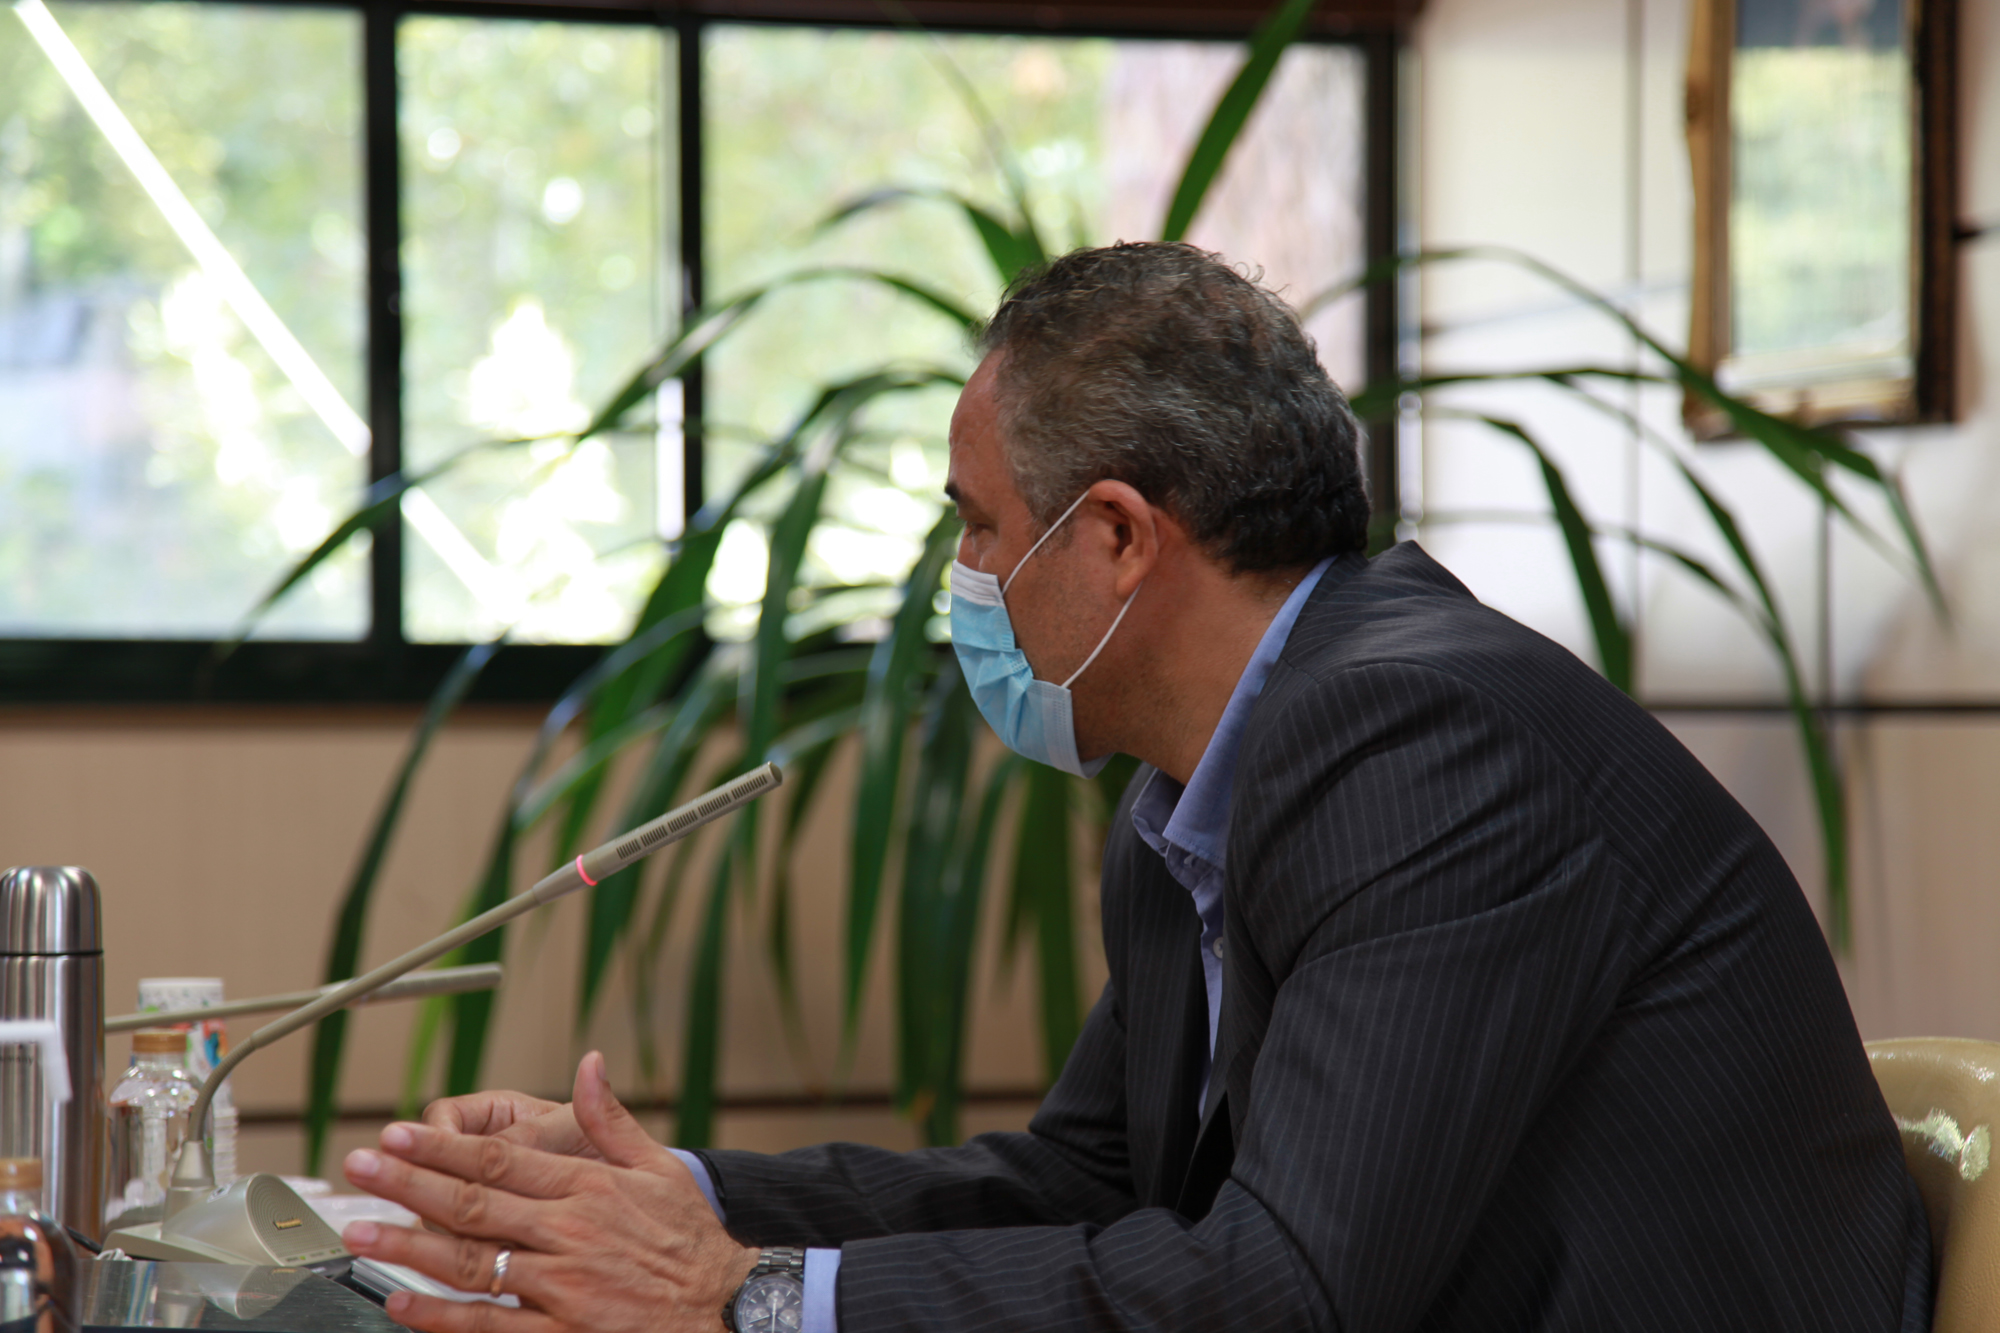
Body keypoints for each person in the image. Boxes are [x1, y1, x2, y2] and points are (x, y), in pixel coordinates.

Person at [339, 242, 1933, 1333]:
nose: (961, 579)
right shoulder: (1203, 785)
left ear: (1112, 536)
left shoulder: (1423, 737)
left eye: (977, 525)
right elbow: (1092, 1181)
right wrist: (672, 1196)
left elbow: (1291, 1291)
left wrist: (740, 1295)